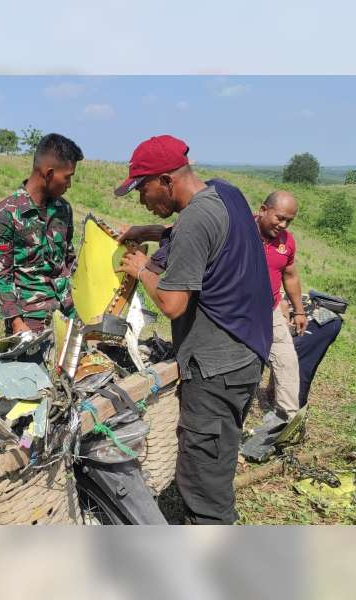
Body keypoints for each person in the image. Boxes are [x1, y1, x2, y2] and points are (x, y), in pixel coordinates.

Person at [115, 135, 272, 524]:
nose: (142, 199)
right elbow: (205, 238)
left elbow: (172, 303)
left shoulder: (194, 221)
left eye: (143, 189)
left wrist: (142, 269)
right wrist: (151, 230)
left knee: (203, 485)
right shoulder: (224, 193)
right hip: (244, 354)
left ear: (167, 181)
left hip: (216, 369)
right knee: (216, 458)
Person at [0, 133, 82, 334]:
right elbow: (2, 277)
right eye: (67, 177)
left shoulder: (63, 210)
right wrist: (17, 324)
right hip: (30, 322)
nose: (69, 185)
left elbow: (69, 260)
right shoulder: (4, 215)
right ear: (48, 174)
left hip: (68, 315)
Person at [255, 191, 305, 422]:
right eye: (280, 218)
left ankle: (287, 421)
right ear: (263, 209)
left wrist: (299, 309)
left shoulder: (287, 241)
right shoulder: (239, 230)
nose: (283, 225)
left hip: (271, 309)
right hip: (236, 313)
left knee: (287, 362)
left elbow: (290, 275)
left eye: (289, 221)